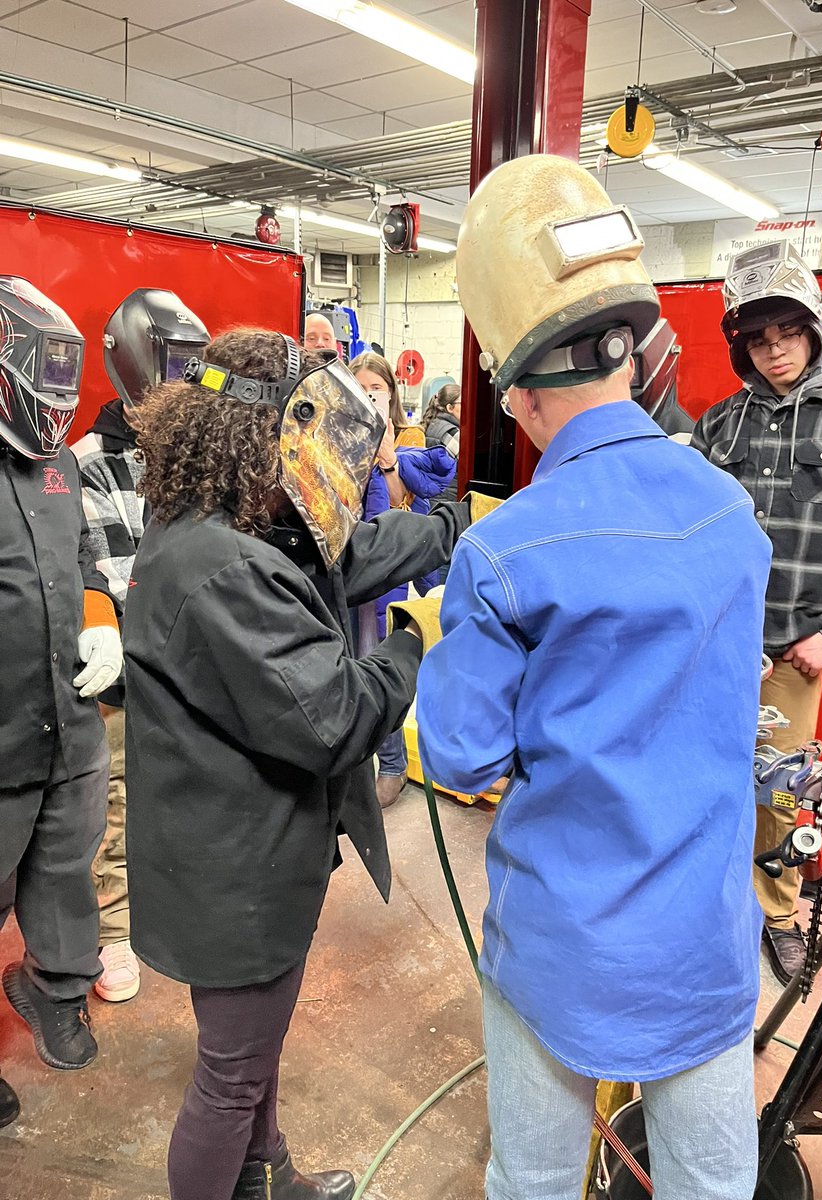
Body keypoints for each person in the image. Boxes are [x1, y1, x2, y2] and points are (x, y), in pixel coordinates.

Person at [415, 155, 771, 1200]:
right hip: (705, 936)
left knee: (530, 1180)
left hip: (563, 941)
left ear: (516, 394)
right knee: (711, 1186)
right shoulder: (731, 517)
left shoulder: (503, 550)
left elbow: (463, 752)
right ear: (634, 355)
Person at [123, 328, 470, 1200]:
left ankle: (267, 1179)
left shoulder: (219, 522)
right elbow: (336, 718)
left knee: (252, 1052)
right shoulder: (221, 569)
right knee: (230, 1077)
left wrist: (447, 528)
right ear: (259, 436)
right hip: (234, 872)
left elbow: (341, 556)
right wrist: (413, 643)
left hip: (244, 852)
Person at [691, 242, 822, 985]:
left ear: (814, 328)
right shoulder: (720, 423)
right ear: (741, 344)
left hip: (791, 653)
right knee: (703, 776)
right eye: (758, 338)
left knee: (778, 791)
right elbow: (693, 532)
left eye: (787, 333)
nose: (774, 350)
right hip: (711, 646)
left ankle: (776, 912)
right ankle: (706, 899)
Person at [0, 277, 122, 1119]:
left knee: (64, 869)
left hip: (67, 727)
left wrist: (100, 615)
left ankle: (57, 989)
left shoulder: (58, 464)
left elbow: (80, 557)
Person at [73, 287, 209, 1004]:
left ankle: (164, 903)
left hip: (187, 672)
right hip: (126, 675)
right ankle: (114, 930)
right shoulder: (87, 463)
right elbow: (107, 567)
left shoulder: (192, 458)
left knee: (179, 792)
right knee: (119, 806)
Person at [349, 352, 455, 808]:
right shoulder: (333, 440)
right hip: (343, 567)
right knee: (347, 663)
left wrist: (387, 458)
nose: (370, 394)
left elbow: (404, 504)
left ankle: (392, 763)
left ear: (391, 393)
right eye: (361, 386)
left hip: (384, 569)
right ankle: (353, 765)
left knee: (380, 658)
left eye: (378, 387)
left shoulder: (406, 444)